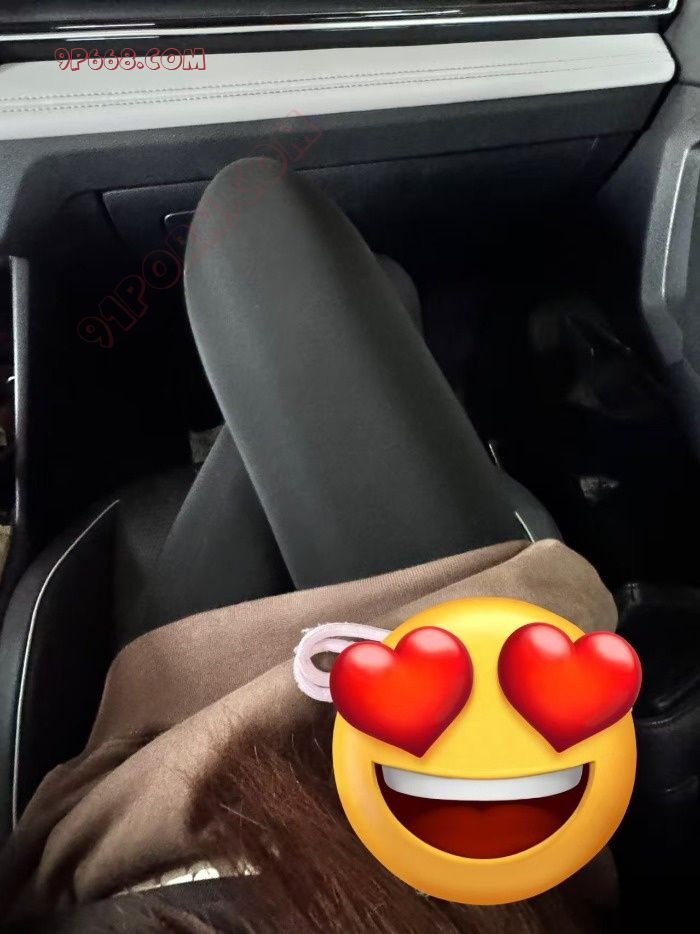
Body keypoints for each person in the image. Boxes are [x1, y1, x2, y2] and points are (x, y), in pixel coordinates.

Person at [0, 161, 618, 932]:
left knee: (265, 222)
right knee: (264, 225)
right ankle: (374, 338)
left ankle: (358, 345)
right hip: (463, 805)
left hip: (168, 809)